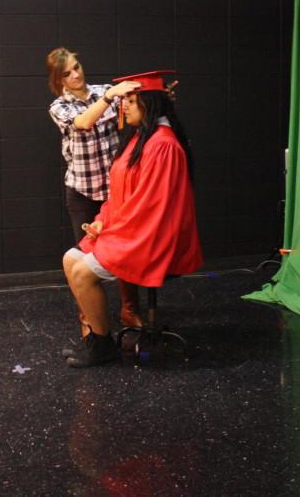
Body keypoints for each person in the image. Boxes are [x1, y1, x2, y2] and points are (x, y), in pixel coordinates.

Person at [60, 71, 202, 368]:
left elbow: (150, 209)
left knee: (84, 273)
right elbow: (122, 195)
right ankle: (99, 340)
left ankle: (102, 346)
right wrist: (102, 221)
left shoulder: (162, 145)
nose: (123, 107)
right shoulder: (140, 139)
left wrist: (112, 233)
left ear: (149, 105)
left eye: (132, 101)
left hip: (152, 239)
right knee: (70, 259)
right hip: (131, 229)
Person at [46, 48, 144, 332]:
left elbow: (138, 108)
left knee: (125, 252)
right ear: (58, 79)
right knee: (84, 258)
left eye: (77, 67)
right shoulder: (59, 107)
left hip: (115, 192)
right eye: (67, 73)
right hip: (82, 193)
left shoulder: (106, 92)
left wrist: (159, 98)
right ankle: (88, 318)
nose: (76, 75)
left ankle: (129, 310)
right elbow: (84, 122)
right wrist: (109, 98)